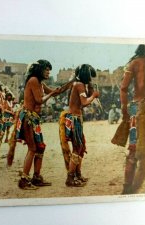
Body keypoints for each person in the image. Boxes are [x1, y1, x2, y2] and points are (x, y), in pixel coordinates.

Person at [16, 59, 61, 190]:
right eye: (46, 70)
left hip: (34, 119)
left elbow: (54, 91)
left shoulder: (40, 83)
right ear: (39, 69)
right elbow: (39, 100)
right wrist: (52, 93)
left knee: (40, 147)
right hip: (29, 118)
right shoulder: (34, 81)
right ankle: (24, 179)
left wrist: (67, 86)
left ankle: (36, 177)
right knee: (33, 148)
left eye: (49, 70)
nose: (48, 72)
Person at [59, 64, 99, 187]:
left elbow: (83, 101)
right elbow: (84, 102)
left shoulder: (79, 84)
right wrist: (94, 96)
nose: (90, 80)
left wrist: (91, 90)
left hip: (76, 118)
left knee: (80, 148)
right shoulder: (79, 85)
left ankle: (77, 174)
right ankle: (70, 178)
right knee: (77, 148)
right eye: (90, 77)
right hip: (74, 119)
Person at [120, 44, 145, 194]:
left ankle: (127, 189)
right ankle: (128, 189)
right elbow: (123, 89)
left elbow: (123, 88)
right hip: (143, 108)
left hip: (137, 108)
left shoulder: (135, 62)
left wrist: (125, 111)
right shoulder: (139, 62)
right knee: (136, 151)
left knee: (133, 151)